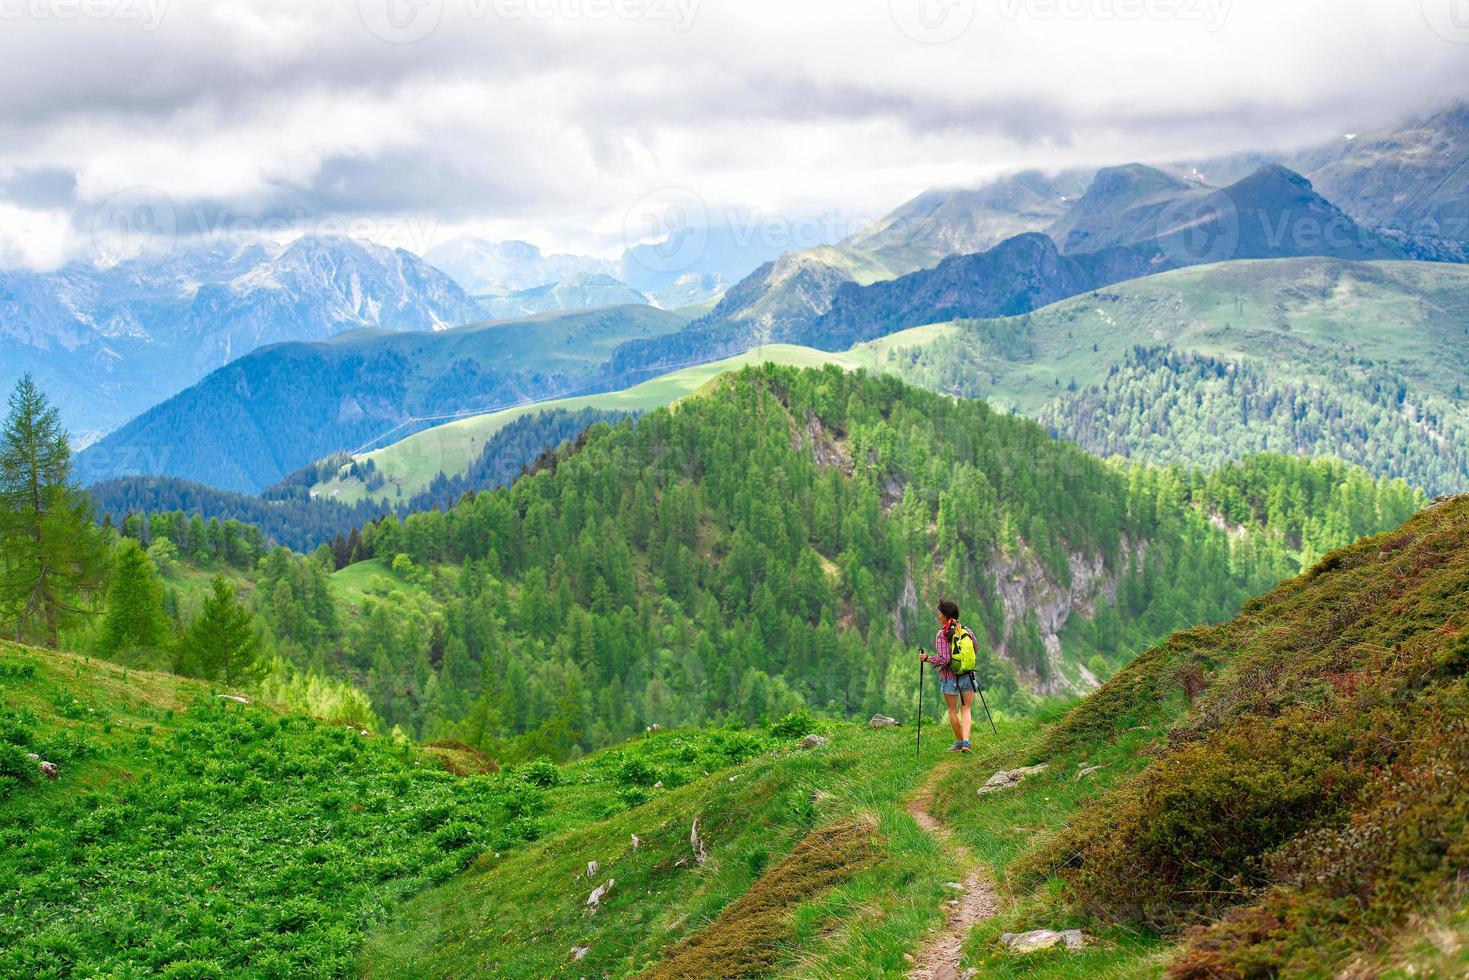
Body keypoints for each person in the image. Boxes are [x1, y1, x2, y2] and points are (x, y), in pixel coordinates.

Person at [919, 599, 979, 753]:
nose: (939, 616)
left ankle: (960, 743)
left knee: (952, 711)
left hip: (949, 677)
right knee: (966, 709)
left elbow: (945, 660)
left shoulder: (941, 635)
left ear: (946, 616)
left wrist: (927, 659)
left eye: (940, 613)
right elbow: (975, 648)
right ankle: (966, 742)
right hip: (967, 674)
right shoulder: (966, 630)